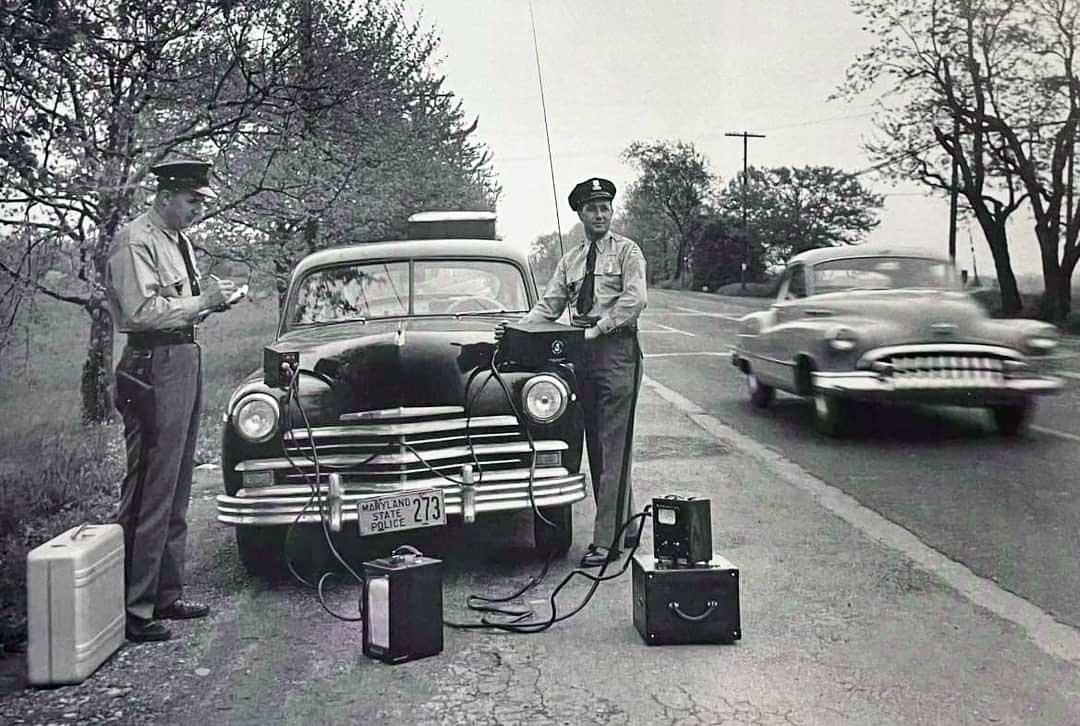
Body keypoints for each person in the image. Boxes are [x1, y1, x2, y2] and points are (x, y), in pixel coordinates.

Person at [105, 159, 239, 642]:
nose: (197, 209)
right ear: (165, 196)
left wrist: (214, 299)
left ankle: (165, 593)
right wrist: (203, 303)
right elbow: (141, 311)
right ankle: (133, 608)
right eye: (191, 200)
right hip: (151, 363)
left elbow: (179, 302)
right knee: (150, 487)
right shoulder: (135, 241)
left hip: (181, 356)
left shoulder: (174, 240)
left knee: (178, 478)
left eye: (200, 201)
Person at [504, 177, 648, 568]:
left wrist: (599, 328)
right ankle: (628, 522)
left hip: (617, 350)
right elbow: (548, 307)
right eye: (591, 209)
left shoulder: (627, 252)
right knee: (596, 445)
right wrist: (517, 333)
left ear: (611, 211)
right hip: (581, 355)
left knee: (614, 445)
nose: (599, 215)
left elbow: (636, 299)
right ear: (580, 214)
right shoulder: (570, 260)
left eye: (605, 208)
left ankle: (607, 542)